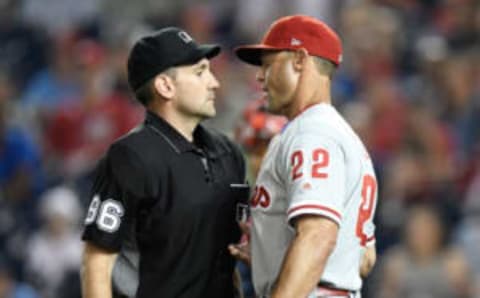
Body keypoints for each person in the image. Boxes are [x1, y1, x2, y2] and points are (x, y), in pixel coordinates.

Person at [81, 27, 249, 298]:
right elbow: (98, 260)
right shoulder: (130, 157)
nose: (214, 82)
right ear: (165, 86)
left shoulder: (229, 153)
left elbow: (227, 264)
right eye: (200, 72)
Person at [229, 15, 379, 298]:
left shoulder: (311, 133)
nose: (260, 76)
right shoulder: (338, 133)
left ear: (299, 60)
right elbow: (364, 260)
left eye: (269, 64)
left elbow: (317, 237)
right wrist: (269, 252)